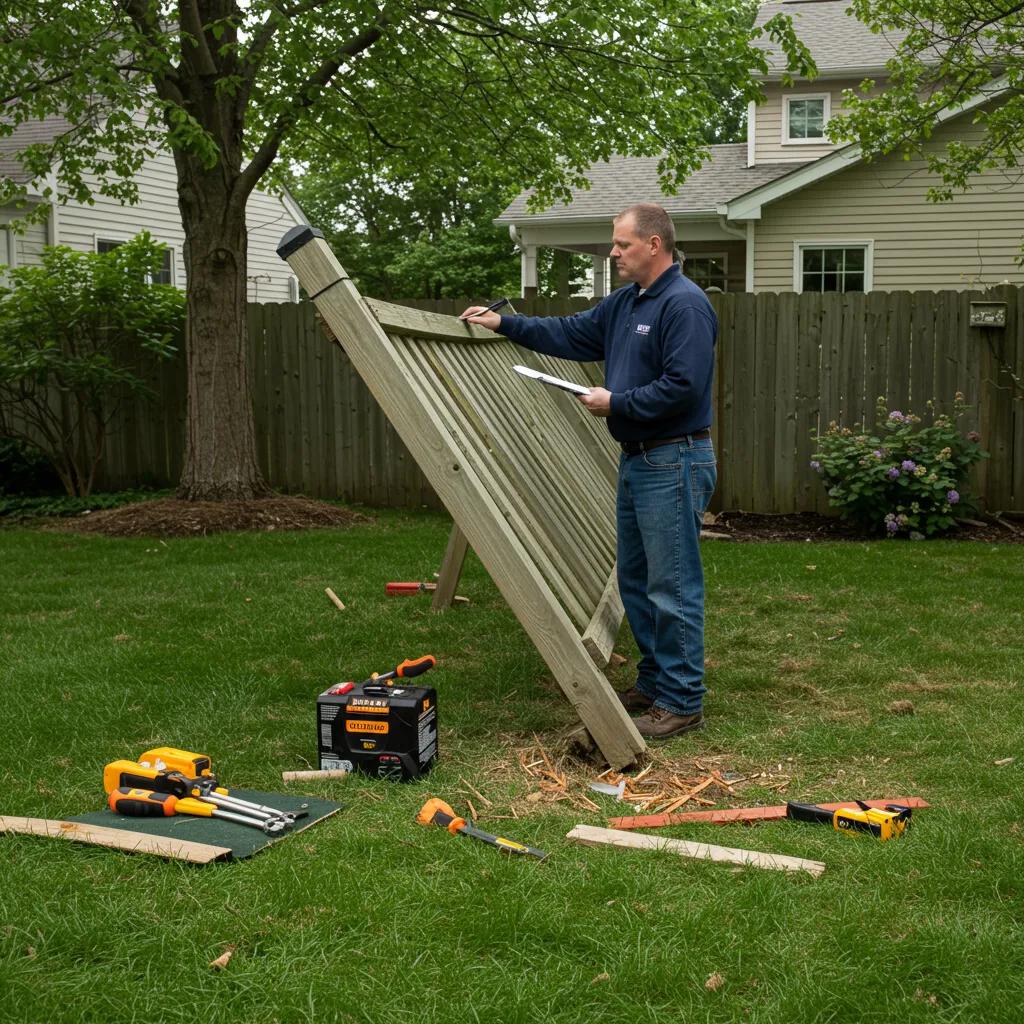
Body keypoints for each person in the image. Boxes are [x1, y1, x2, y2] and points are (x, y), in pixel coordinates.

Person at [462, 203, 717, 740]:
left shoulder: (684, 305)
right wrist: (503, 322)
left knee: (671, 585)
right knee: (638, 579)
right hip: (641, 457)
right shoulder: (627, 303)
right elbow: (571, 334)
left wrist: (618, 402)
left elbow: (684, 387)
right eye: (614, 243)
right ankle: (655, 685)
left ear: (654, 245)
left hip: (674, 458)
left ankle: (683, 700)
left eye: (623, 244)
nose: (614, 252)